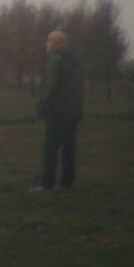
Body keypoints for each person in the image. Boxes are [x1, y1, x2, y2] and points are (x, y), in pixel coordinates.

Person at [32, 30, 84, 191]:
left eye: (48, 41)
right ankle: (67, 182)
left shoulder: (55, 60)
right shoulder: (74, 61)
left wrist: (41, 106)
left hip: (58, 111)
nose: (46, 44)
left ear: (55, 44)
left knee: (51, 147)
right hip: (74, 111)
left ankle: (47, 183)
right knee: (69, 148)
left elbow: (51, 87)